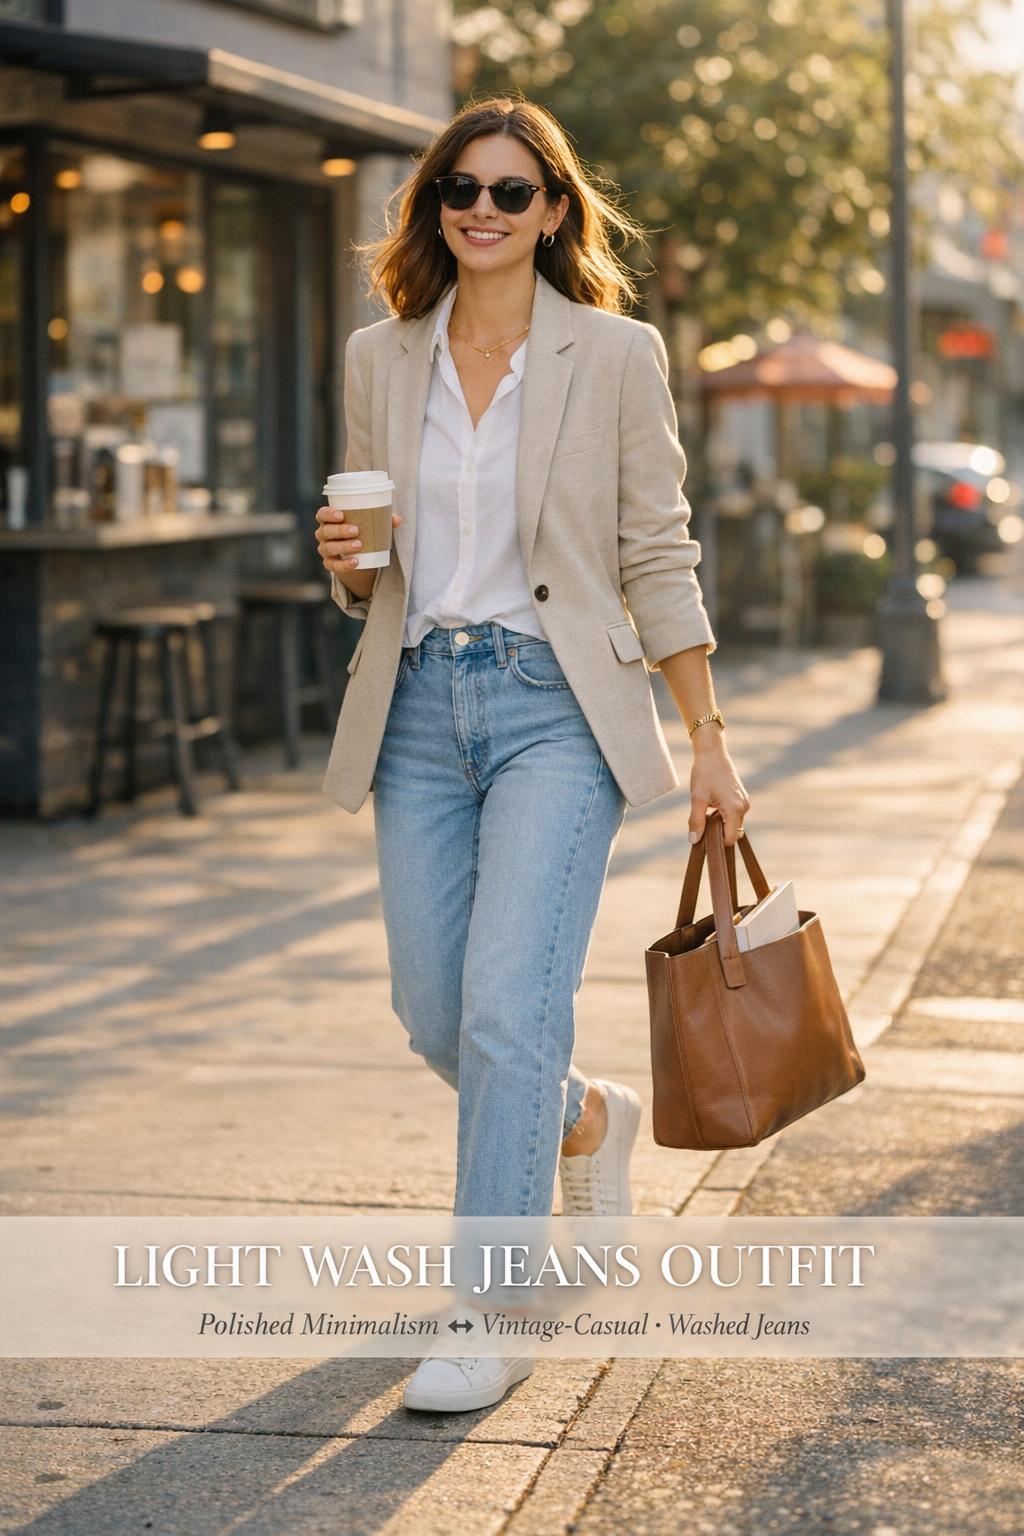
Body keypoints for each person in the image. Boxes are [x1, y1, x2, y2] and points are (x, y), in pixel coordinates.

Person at [315, 96, 750, 1413]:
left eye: (513, 191)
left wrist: (710, 740)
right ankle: (583, 1120)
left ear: (555, 210)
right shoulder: (379, 357)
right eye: (462, 189)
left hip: (556, 708)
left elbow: (655, 551)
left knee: (510, 1007)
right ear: (434, 206)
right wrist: (347, 567)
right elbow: (367, 569)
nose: (484, 211)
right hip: (416, 708)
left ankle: (490, 1310)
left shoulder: (613, 354)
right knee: (435, 1012)